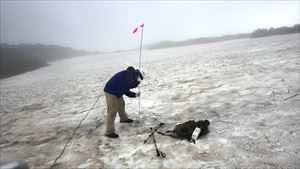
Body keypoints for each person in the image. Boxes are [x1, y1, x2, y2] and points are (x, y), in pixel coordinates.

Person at [103, 66, 145, 138]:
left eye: (140, 78)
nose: (139, 79)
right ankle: (109, 132)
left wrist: (135, 95)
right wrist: (136, 83)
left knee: (121, 104)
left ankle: (123, 119)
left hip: (117, 92)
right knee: (112, 110)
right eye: (139, 77)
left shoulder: (130, 77)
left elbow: (126, 90)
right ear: (137, 73)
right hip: (111, 91)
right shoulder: (129, 74)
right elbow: (129, 84)